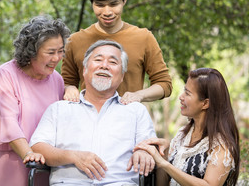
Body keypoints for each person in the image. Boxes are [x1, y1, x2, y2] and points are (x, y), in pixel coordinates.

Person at [28, 40, 157, 185]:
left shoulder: (136, 111)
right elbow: (37, 147)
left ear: (121, 76)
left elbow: (150, 146)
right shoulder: (59, 109)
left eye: (113, 62)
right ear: (84, 70)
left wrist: (144, 152)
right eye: (98, 60)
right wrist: (73, 156)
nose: (104, 66)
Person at [0, 15, 71, 186]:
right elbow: (7, 121)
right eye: (50, 52)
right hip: (7, 162)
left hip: (40, 164)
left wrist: (71, 89)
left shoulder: (57, 80)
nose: (57, 58)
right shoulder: (4, 75)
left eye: (60, 51)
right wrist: (28, 154)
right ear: (32, 51)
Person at [62, 0, 172, 104]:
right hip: (87, 121)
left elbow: (164, 84)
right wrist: (69, 88)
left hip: (128, 121)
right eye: (100, 5)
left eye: (114, 4)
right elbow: (65, 82)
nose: (107, 12)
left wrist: (139, 95)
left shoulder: (144, 38)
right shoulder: (75, 41)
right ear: (91, 3)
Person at [134, 68, 240, 186]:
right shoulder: (182, 135)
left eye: (188, 93)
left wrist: (165, 164)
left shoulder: (222, 145)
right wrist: (162, 154)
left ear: (205, 103)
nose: (181, 97)